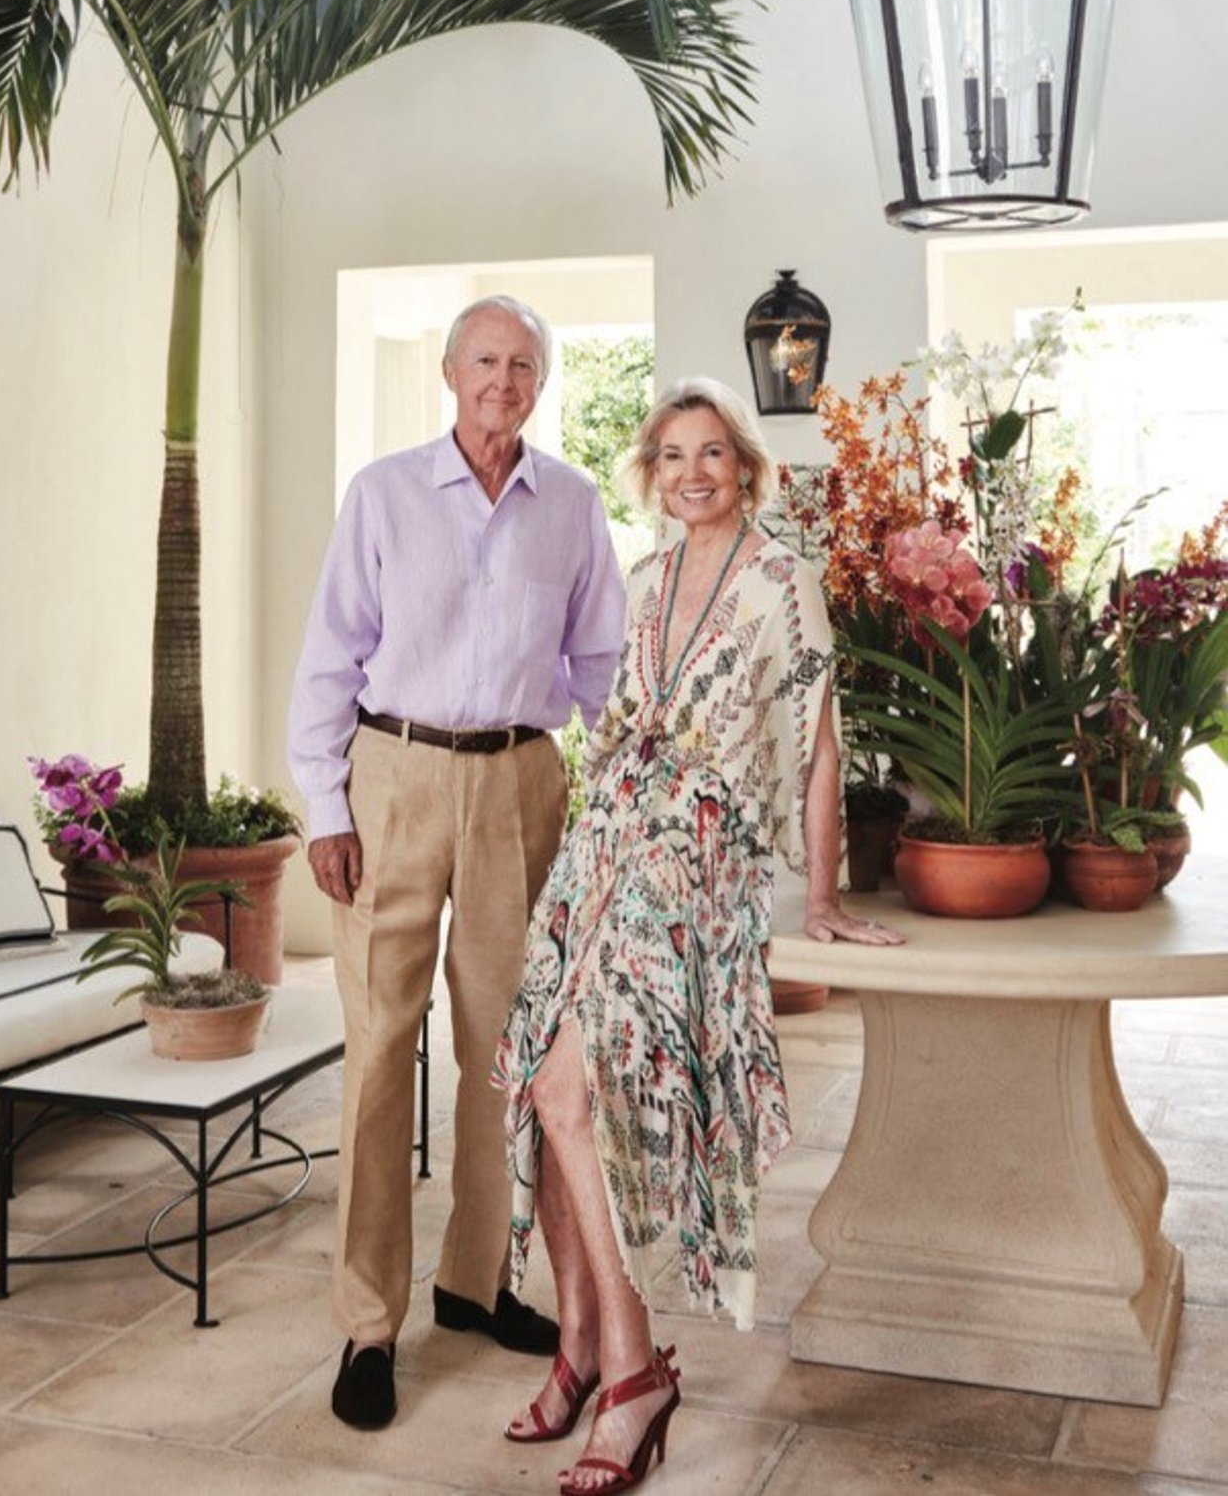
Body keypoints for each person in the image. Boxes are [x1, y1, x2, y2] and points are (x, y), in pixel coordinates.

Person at [493, 377, 902, 1496]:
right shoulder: (646, 577)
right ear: (652, 473)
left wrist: (819, 897)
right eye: (671, 456)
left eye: (712, 452)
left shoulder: (783, 580)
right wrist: (590, 847)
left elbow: (818, 748)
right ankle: (581, 1341)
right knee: (538, 1080)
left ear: (746, 467)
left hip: (697, 854)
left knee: (576, 1091)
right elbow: (621, 724)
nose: (692, 473)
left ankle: (634, 1376)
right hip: (606, 837)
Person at [288, 294, 629, 1432]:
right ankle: (368, 1321)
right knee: (383, 1048)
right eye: (484, 359)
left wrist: (606, 798)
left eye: (523, 363)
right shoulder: (383, 494)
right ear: (449, 372)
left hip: (522, 784)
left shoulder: (572, 507)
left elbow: (603, 668)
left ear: (542, 382)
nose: (503, 379)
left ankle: (476, 1282)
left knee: (506, 1049)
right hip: (391, 780)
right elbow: (330, 655)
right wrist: (326, 806)